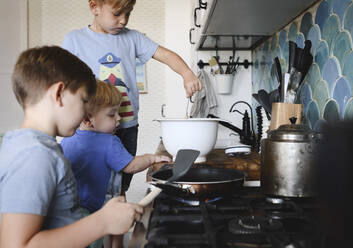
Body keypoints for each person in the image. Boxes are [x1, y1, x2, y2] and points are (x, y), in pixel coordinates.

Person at [0, 46, 144, 248]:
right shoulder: (35, 156)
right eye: (84, 100)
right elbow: (16, 245)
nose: (86, 111)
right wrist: (102, 222)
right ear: (58, 93)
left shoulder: (27, 146)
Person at [61, 0, 202, 197]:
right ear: (95, 7)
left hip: (126, 126)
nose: (123, 20)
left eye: (128, 14)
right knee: (88, 185)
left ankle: (118, 215)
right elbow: (62, 81)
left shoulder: (133, 38)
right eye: (117, 14)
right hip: (88, 128)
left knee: (120, 185)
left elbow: (166, 55)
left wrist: (186, 73)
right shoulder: (75, 40)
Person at [61, 80, 170, 247]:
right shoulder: (110, 141)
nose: (119, 119)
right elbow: (131, 166)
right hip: (102, 207)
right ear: (87, 119)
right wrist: (152, 158)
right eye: (112, 115)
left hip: (73, 210)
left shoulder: (67, 140)